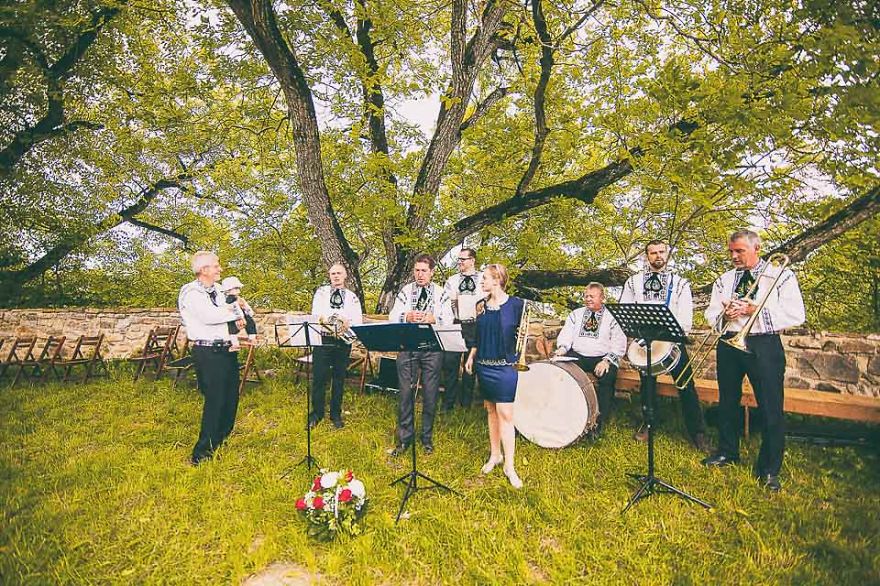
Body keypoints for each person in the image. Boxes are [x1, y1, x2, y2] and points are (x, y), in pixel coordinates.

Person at [702, 230, 805, 492]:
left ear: (757, 248)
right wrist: (723, 314)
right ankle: (727, 451)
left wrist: (753, 309)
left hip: (764, 343)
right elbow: (711, 314)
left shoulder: (779, 276)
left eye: (740, 251)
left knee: (771, 406)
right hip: (730, 342)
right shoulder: (724, 279)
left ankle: (769, 469)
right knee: (727, 401)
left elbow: (795, 314)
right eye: (731, 251)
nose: (734, 256)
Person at [620, 240, 709, 451]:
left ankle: (697, 432)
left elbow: (686, 317)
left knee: (686, 385)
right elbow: (625, 308)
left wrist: (673, 335)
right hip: (645, 342)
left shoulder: (679, 283)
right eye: (652, 253)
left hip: (672, 342)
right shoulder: (633, 282)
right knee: (647, 386)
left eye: (661, 252)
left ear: (667, 255)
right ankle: (649, 422)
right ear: (646, 257)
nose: (657, 256)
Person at [178, 251, 246, 465]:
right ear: (204, 270)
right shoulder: (190, 292)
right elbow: (210, 316)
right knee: (215, 400)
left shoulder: (218, 290)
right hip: (208, 352)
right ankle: (201, 452)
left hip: (227, 349)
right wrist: (234, 309)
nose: (220, 269)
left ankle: (220, 439)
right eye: (216, 266)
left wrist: (235, 316)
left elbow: (231, 311)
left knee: (231, 397)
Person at [464, 264, 525, 488]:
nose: (482, 282)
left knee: (506, 414)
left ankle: (510, 465)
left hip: (505, 368)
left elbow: (523, 334)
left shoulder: (516, 305)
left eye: (486, 279)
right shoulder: (480, 306)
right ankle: (495, 455)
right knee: (490, 410)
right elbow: (476, 336)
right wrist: (471, 356)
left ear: (498, 280)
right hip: (484, 365)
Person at [388, 254, 454, 455]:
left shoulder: (442, 293)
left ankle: (426, 438)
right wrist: (406, 316)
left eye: (424, 270)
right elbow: (393, 315)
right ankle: (404, 439)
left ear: (432, 272)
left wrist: (434, 318)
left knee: (430, 393)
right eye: (417, 270)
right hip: (408, 346)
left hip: (432, 348)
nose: (420, 274)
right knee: (406, 393)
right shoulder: (406, 291)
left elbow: (449, 319)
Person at [554, 282, 627, 435]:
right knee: (560, 372)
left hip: (601, 358)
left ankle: (598, 421)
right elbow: (566, 334)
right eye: (586, 296)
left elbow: (619, 343)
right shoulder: (576, 314)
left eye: (592, 296)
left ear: (602, 297)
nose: (588, 299)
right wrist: (562, 348)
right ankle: (566, 413)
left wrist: (607, 361)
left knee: (607, 378)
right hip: (578, 355)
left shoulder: (612, 317)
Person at [309, 263, 364, 429]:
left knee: (339, 379)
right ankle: (316, 414)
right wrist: (334, 320)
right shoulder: (321, 293)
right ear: (329, 275)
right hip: (323, 340)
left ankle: (335, 415)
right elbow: (316, 314)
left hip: (342, 342)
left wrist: (345, 324)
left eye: (339, 273)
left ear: (345, 275)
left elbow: (357, 321)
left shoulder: (352, 297)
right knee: (319, 378)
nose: (336, 276)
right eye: (333, 273)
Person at [442, 247, 485, 410]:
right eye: (458, 259)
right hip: (456, 324)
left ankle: (466, 404)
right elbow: (448, 303)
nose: (459, 262)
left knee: (470, 365)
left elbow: (486, 299)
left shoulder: (482, 278)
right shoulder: (452, 280)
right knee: (450, 364)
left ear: (472, 260)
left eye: (463, 259)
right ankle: (448, 404)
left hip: (475, 325)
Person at [220, 276, 258, 350]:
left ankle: (252, 337)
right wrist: (239, 318)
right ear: (228, 290)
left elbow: (248, 309)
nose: (238, 291)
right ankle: (235, 343)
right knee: (232, 328)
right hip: (233, 318)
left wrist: (246, 309)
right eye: (236, 288)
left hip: (243, 316)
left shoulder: (240, 299)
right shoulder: (228, 301)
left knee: (250, 322)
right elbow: (232, 309)